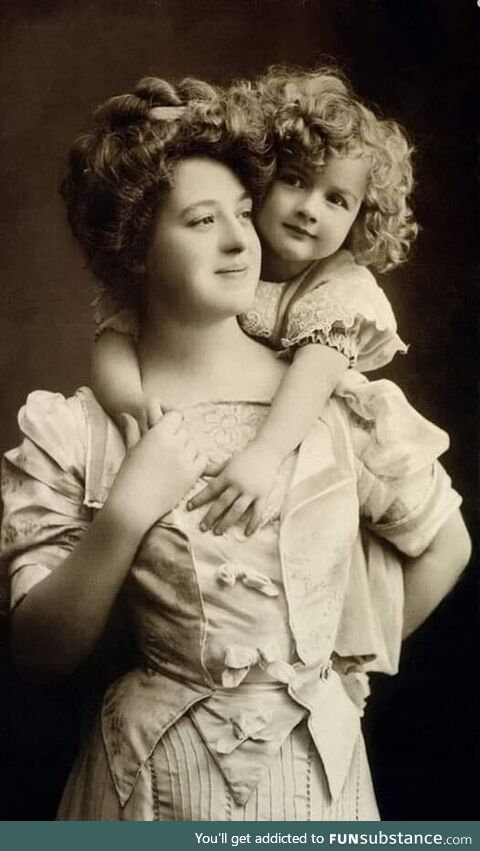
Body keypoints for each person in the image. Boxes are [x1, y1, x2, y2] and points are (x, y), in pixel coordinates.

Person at [1, 75, 470, 821]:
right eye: (200, 220)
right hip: (148, 785)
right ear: (135, 247)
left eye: (244, 214)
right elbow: (37, 651)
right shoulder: (79, 427)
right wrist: (126, 512)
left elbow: (448, 544)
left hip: (316, 779)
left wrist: (328, 664)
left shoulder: (336, 401)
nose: (238, 239)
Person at [91, 66, 448, 537]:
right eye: (295, 179)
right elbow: (116, 332)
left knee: (421, 553)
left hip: (308, 423)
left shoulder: (340, 286)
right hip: (235, 412)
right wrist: (131, 404)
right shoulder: (223, 254)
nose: (309, 209)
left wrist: (264, 455)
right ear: (262, 176)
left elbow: (315, 373)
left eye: (337, 200)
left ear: (362, 218)